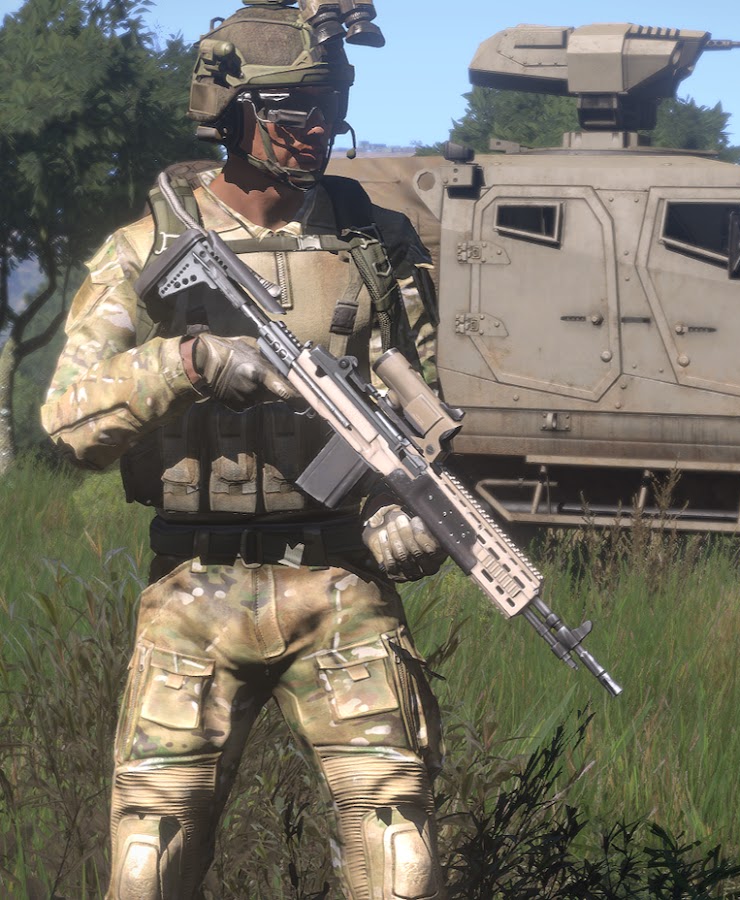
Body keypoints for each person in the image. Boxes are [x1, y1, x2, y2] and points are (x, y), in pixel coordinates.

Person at [40, 2, 448, 898]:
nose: (320, 130)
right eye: (296, 111)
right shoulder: (144, 251)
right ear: (229, 112)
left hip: (340, 583)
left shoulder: (378, 249)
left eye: (332, 106)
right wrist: (186, 363)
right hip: (193, 589)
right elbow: (69, 424)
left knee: (400, 853)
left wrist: (403, 511)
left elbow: (421, 417)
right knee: (148, 859)